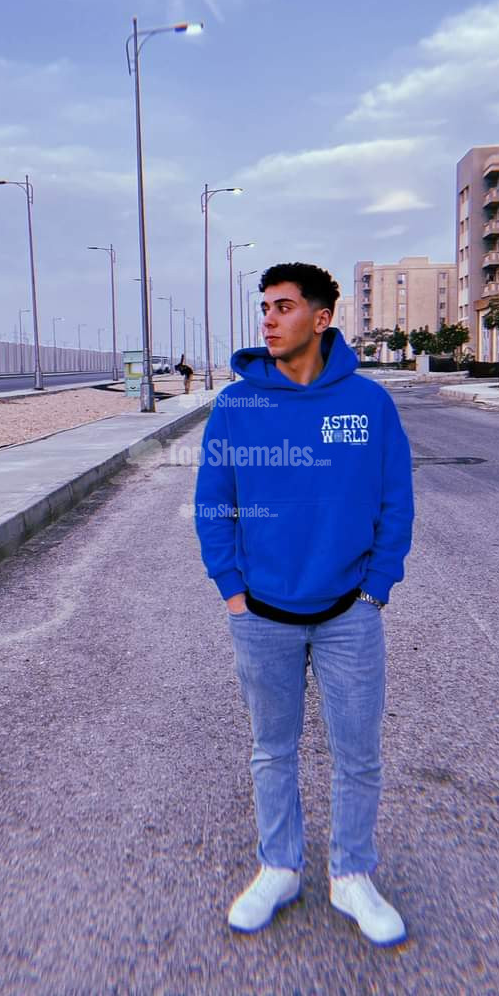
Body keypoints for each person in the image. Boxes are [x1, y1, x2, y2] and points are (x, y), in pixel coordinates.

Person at [194, 262, 415, 946]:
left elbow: (395, 499)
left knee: (358, 753)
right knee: (272, 750)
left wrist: (376, 589)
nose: (268, 318)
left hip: (350, 613)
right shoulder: (237, 406)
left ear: (321, 319)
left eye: (284, 306)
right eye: (265, 306)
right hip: (262, 615)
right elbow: (213, 503)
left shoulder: (368, 404)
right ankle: (280, 867)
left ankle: (352, 875)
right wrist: (233, 591)